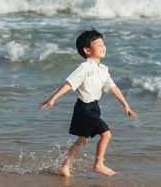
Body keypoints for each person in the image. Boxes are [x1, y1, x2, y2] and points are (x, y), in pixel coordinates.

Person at [39, 28, 137, 177]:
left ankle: (64, 166)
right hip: (83, 108)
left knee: (82, 141)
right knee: (106, 134)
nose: (103, 47)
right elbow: (69, 83)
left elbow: (113, 87)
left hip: (94, 108)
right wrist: (53, 98)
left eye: (103, 43)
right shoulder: (84, 67)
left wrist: (126, 105)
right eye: (98, 44)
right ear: (87, 50)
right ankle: (98, 164)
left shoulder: (103, 69)